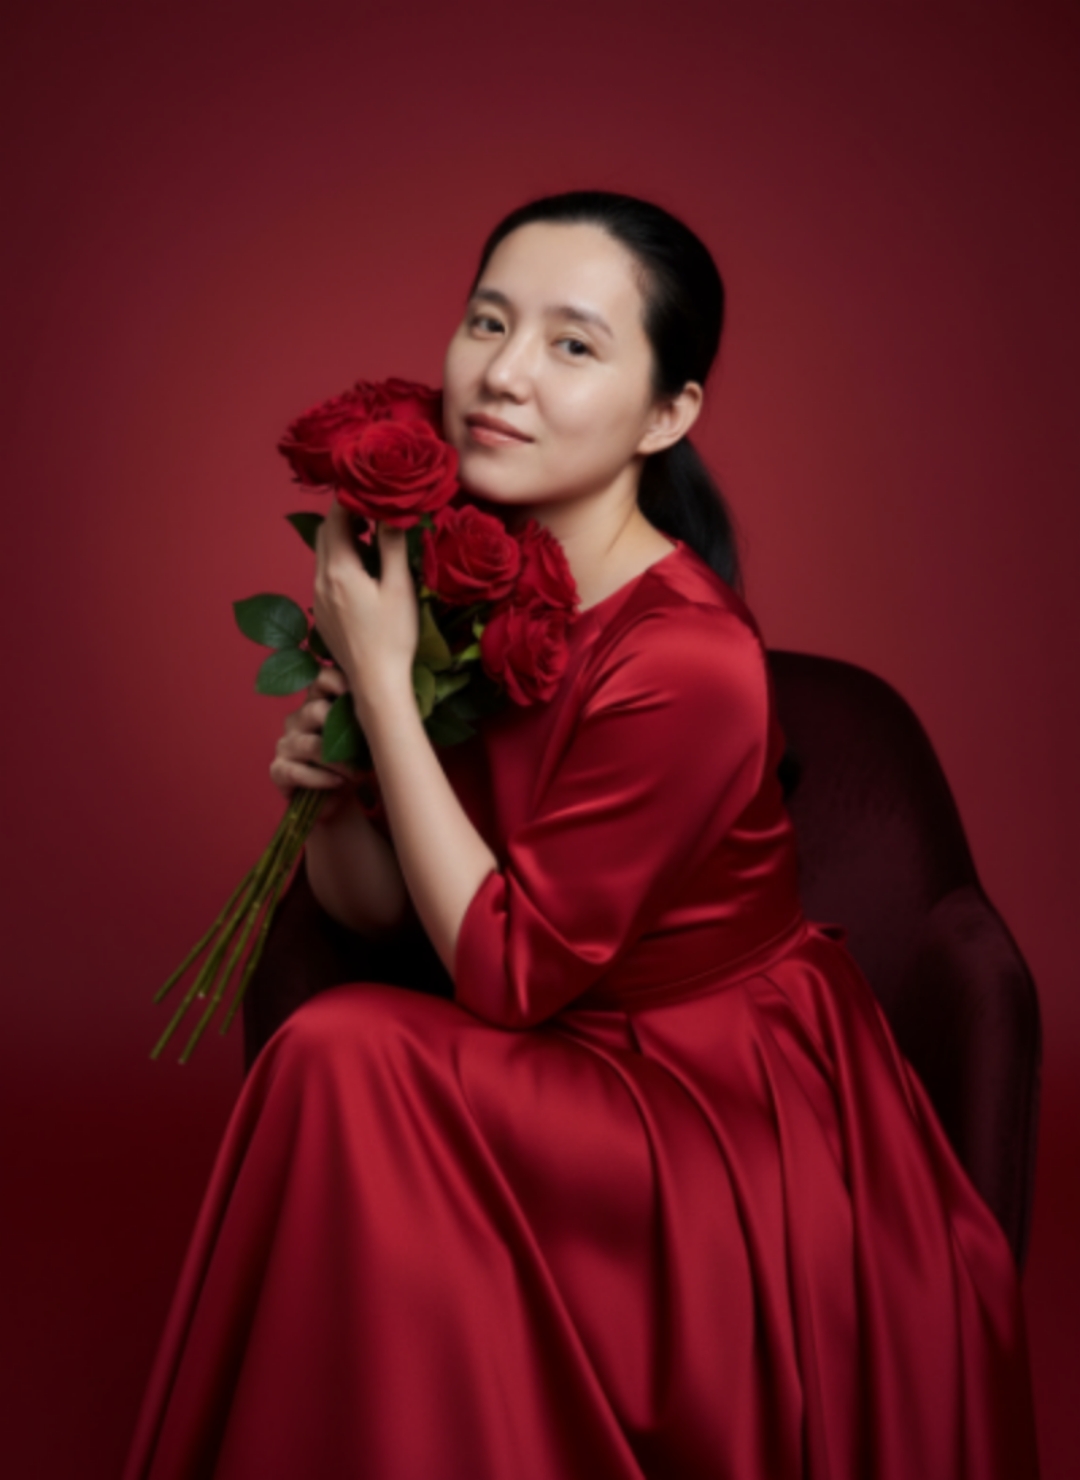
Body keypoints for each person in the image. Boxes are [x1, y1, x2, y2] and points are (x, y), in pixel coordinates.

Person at [124, 191, 1040, 1479]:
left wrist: (384, 685)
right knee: (339, 1054)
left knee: (340, 1057)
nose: (503, 374)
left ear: (668, 415)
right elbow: (378, 909)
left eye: (572, 344)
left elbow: (509, 973)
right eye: (487, 322)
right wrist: (334, 782)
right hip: (553, 1052)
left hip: (709, 1102)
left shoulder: (692, 658)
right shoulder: (469, 576)